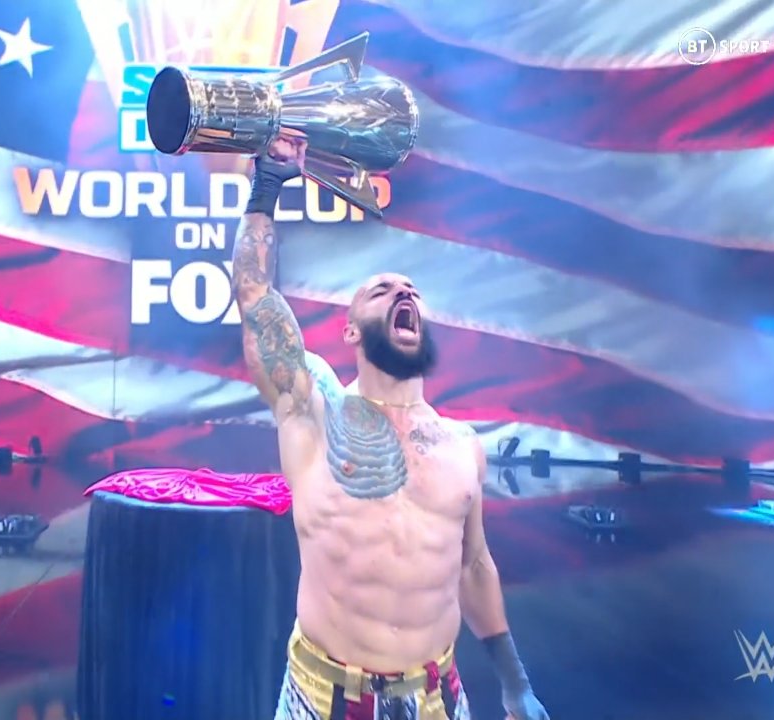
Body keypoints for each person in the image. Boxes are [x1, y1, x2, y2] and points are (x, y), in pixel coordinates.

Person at [231, 136, 551, 720]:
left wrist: (515, 684)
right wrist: (267, 185)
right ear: (351, 332)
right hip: (323, 697)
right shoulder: (313, 410)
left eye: (412, 292)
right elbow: (256, 299)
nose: (404, 292)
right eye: (382, 291)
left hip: (433, 698)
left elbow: (474, 567)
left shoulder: (462, 446)